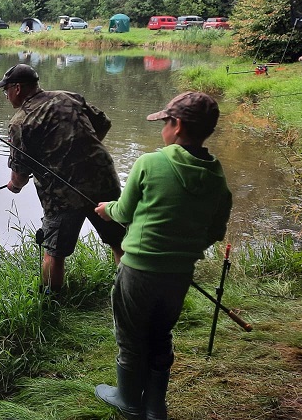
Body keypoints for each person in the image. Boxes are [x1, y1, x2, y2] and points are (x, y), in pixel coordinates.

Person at [93, 91, 233, 420]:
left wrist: (106, 209)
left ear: (177, 125)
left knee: (130, 335)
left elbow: (124, 212)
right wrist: (182, 245)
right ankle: (156, 407)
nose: (162, 130)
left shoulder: (149, 163)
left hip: (138, 271)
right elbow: (216, 231)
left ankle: (128, 400)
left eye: (165, 123)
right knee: (160, 334)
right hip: (179, 274)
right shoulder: (217, 177)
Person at [0, 64, 125, 293]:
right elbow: (103, 124)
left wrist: (14, 186)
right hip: (102, 179)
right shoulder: (69, 97)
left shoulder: (20, 122)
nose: (6, 95)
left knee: (54, 253)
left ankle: (51, 302)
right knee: (120, 240)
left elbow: (20, 173)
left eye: (6, 90)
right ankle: (131, 291)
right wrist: (81, 150)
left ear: (17, 88)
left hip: (62, 194)